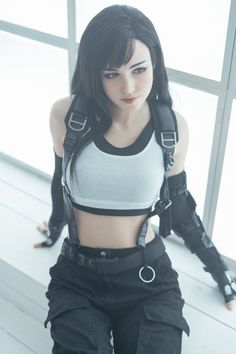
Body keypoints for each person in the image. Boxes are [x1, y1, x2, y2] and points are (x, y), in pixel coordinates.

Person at [42, 4, 235, 353]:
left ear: (156, 64)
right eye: (111, 73)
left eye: (139, 69)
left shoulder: (171, 129)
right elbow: (61, 183)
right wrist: (55, 226)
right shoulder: (67, 116)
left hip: (148, 278)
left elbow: (179, 209)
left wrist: (221, 272)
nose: (128, 87)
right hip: (78, 277)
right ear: (93, 72)